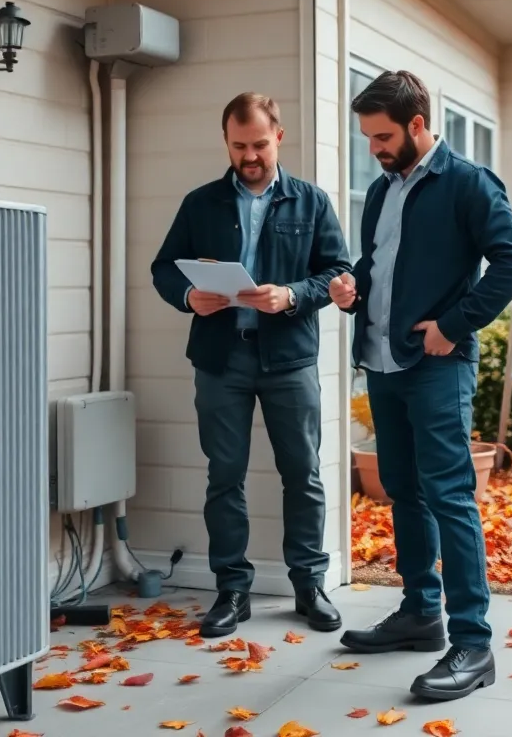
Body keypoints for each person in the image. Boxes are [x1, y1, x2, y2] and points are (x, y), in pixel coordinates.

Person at [328, 70, 512, 701]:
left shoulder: (468, 184)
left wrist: (453, 323)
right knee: (404, 491)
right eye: (368, 137)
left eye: (384, 136)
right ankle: (421, 612)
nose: (375, 148)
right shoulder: (385, 187)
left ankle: (473, 644)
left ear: (418, 125)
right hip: (383, 363)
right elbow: (381, 264)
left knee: (450, 498)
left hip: (437, 366)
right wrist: (350, 287)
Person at [149, 92, 352, 638]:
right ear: (227, 142)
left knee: (303, 474)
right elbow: (165, 268)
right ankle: (231, 590)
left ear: (278, 137)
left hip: (289, 359)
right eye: (239, 146)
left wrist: (290, 295)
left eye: (259, 144)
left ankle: (309, 585)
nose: (250, 156)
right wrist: (189, 297)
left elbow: (337, 271)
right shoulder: (201, 202)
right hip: (220, 359)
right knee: (224, 477)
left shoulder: (311, 201)